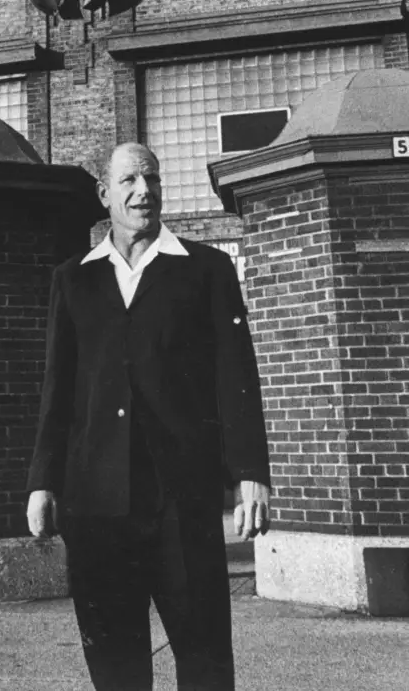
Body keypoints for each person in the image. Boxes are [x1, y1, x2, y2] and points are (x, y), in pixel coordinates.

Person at [26, 142, 271, 691]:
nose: (144, 190)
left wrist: (250, 471)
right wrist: (42, 480)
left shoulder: (205, 269)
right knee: (115, 662)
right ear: (105, 193)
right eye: (130, 179)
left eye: (152, 178)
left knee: (204, 657)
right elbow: (57, 389)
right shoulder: (73, 279)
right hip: (95, 503)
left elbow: (235, 377)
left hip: (182, 500)